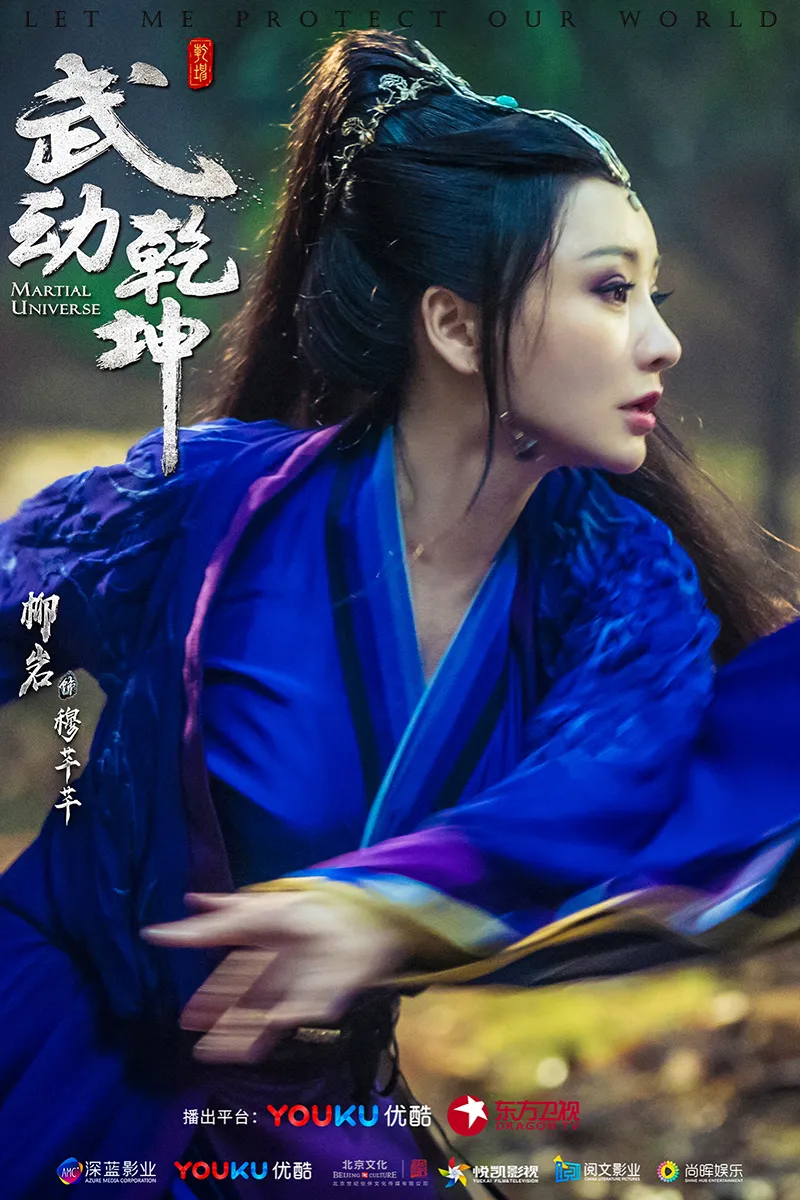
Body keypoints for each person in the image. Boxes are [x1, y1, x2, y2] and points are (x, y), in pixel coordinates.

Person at [1, 28, 799, 1200]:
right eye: (609, 291)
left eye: (652, 295)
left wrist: (386, 905)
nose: (660, 341)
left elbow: (603, 774)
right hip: (51, 1051)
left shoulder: (615, 583)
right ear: (455, 326)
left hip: (309, 1117)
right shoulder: (209, 504)